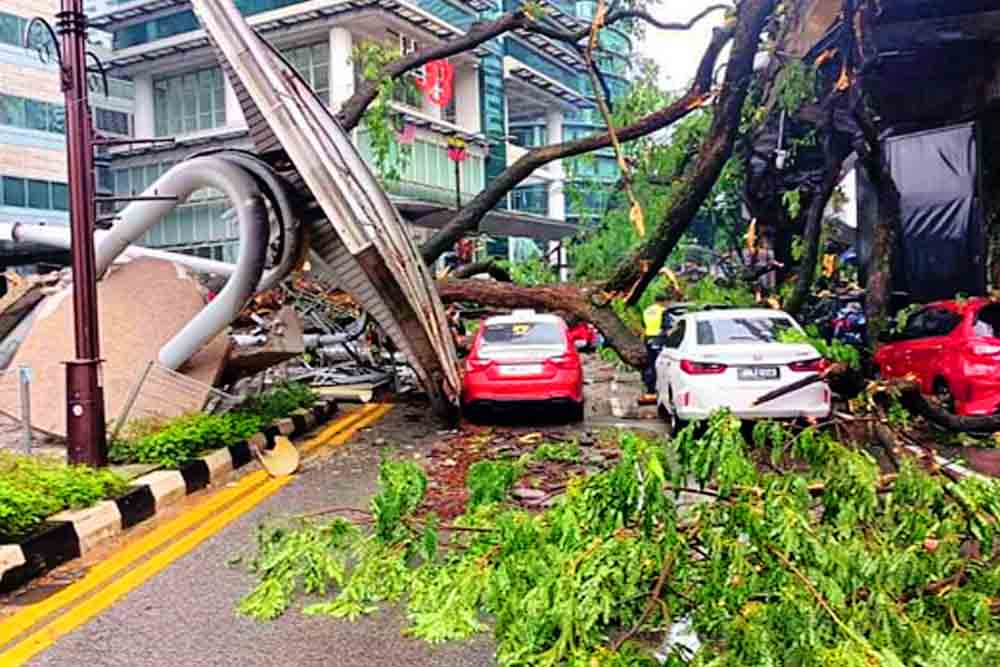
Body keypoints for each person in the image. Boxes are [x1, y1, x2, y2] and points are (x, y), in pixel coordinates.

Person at [642, 293, 672, 396]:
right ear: (663, 301)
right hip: (659, 339)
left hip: (648, 338)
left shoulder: (647, 310)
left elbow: (644, 324)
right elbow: (667, 327)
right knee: (660, 365)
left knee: (651, 364)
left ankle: (650, 389)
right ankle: (660, 389)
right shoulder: (663, 311)